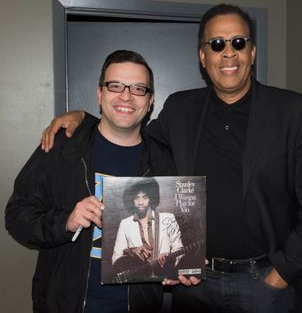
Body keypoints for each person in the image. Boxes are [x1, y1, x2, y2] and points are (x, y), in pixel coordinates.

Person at [40, 4, 302, 313]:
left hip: (265, 284)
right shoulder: (180, 109)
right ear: (203, 56)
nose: (228, 53)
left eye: (238, 42)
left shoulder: (294, 112)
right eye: (217, 44)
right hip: (195, 285)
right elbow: (130, 132)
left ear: (252, 53)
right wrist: (85, 119)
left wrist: (282, 274)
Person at [5, 50, 176, 313]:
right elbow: (17, 215)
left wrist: (172, 266)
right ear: (100, 94)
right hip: (65, 305)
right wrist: (66, 221)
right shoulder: (63, 145)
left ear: (150, 100)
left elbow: (171, 240)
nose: (126, 96)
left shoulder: (164, 162)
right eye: (115, 85)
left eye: (139, 88)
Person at [111, 177, 183, 283]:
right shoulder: (125, 224)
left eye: (145, 197)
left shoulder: (168, 218)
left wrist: (169, 260)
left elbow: (179, 250)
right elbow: (116, 258)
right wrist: (131, 252)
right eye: (136, 198)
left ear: (151, 198)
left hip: (164, 279)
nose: (140, 202)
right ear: (132, 199)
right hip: (138, 282)